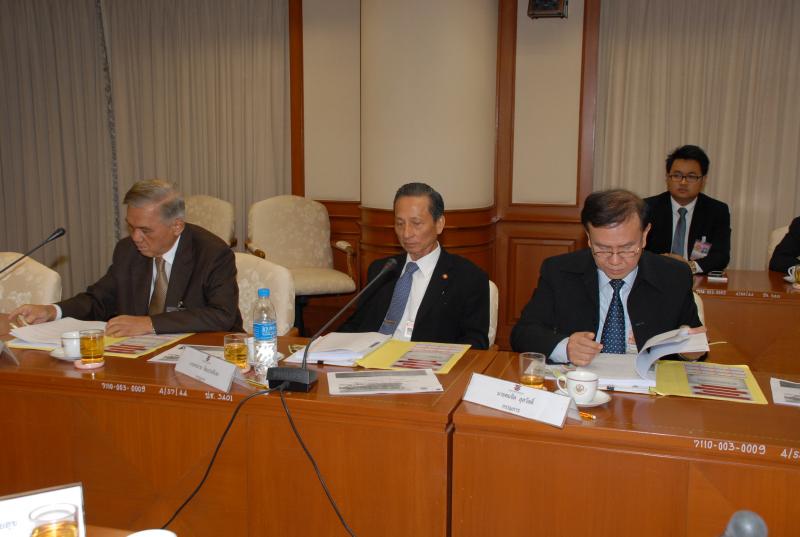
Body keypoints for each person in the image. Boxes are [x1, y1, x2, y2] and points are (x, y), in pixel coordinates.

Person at [10, 179, 242, 336]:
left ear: (177, 226)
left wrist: (149, 323)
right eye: (131, 227)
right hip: (143, 355)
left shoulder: (212, 253)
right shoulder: (127, 251)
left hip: (203, 355)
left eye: (145, 230)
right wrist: (52, 311)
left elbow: (222, 315)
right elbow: (99, 300)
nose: (136, 237)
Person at [511, 189, 703, 366]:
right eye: (602, 248)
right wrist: (566, 347)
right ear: (588, 237)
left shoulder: (674, 276)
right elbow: (523, 333)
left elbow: (692, 342)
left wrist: (690, 351)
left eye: (627, 248)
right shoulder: (559, 271)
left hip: (647, 385)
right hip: (580, 381)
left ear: (645, 235)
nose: (615, 261)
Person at [339, 182, 489, 349]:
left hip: (425, 361)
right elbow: (357, 324)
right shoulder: (382, 269)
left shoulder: (468, 278)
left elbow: (476, 342)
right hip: (370, 358)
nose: (406, 233)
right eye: (400, 224)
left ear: (439, 224)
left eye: (416, 223)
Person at [644, 144, 731, 274]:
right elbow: (637, 250)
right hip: (656, 275)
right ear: (667, 178)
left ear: (703, 180)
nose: (683, 182)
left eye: (691, 176)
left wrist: (689, 267)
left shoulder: (717, 211)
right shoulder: (647, 207)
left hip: (696, 278)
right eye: (677, 175)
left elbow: (721, 256)